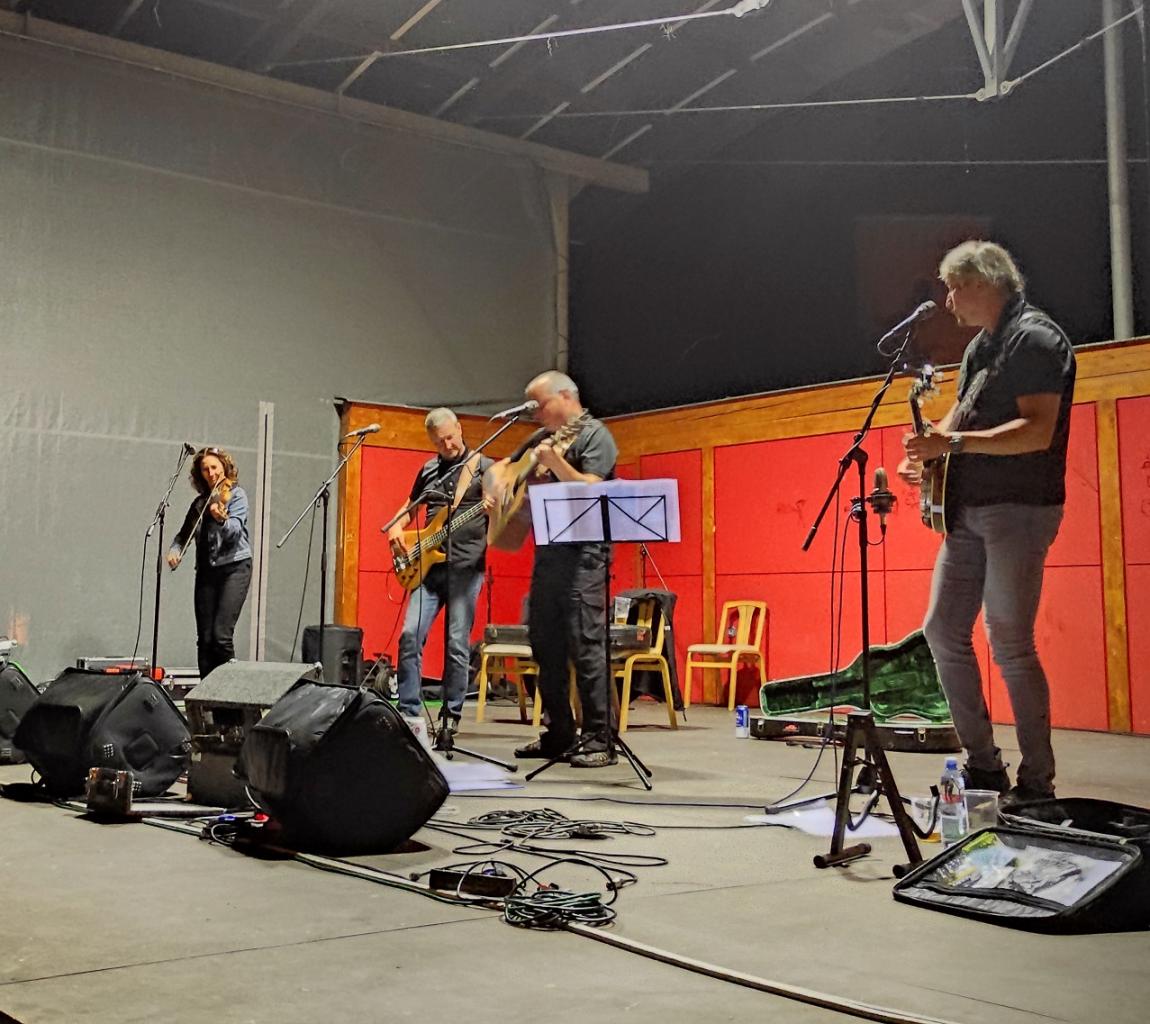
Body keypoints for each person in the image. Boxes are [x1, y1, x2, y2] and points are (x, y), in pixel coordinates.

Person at [899, 241, 1076, 806]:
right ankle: (984, 765)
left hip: (1019, 509)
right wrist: (927, 453)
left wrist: (949, 442)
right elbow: (960, 416)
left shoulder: (1036, 339)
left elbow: (1037, 431)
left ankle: (1037, 782)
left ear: (984, 283)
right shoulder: (981, 347)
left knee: (1010, 642)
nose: (949, 300)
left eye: (955, 287)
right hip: (967, 511)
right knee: (941, 630)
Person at [504, 370, 619, 768]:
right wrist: (498, 491)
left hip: (585, 557)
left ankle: (600, 738)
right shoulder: (541, 438)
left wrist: (555, 464)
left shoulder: (595, 436)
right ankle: (558, 733)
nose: (535, 413)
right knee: (545, 645)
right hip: (548, 556)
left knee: (585, 647)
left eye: (540, 404)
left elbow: (592, 487)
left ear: (566, 396)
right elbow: (501, 470)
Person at [387, 408, 493, 747]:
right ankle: (409, 713)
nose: (447, 445)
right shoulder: (429, 469)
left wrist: (498, 508)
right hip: (428, 568)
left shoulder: (483, 467)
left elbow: (507, 516)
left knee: (457, 644)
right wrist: (398, 525)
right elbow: (410, 506)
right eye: (439, 441)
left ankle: (451, 716)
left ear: (460, 428)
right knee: (409, 636)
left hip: (466, 568)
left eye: (450, 437)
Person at [167, 447, 252, 680]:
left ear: (224, 467)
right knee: (205, 639)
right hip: (206, 572)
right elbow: (183, 536)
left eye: (214, 467)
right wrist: (175, 551)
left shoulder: (236, 495)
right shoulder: (200, 503)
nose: (211, 473)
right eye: (205, 469)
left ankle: (228, 693)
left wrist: (221, 520)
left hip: (234, 568)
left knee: (221, 636)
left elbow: (235, 531)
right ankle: (206, 694)